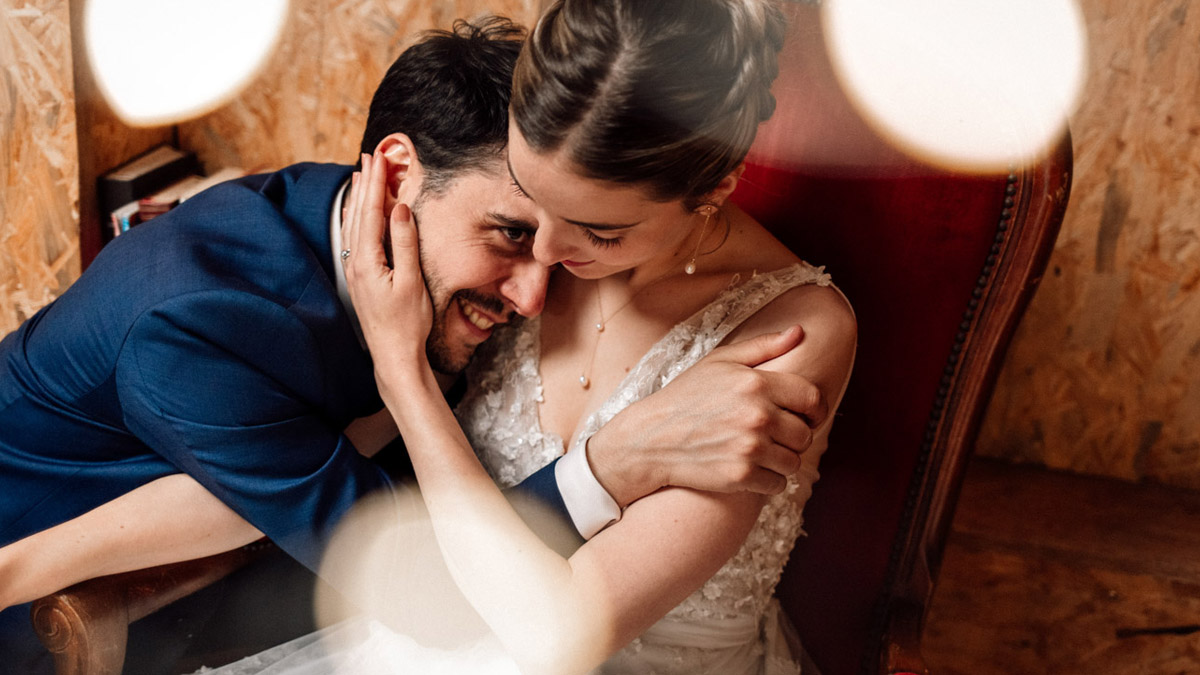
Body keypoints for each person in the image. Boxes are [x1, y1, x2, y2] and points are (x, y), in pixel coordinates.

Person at [0, 16, 826, 673]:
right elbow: (410, 573)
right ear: (396, 177)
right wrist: (605, 464)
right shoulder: (198, 329)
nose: (540, 289)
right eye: (512, 229)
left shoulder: (425, 245)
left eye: (587, 232)